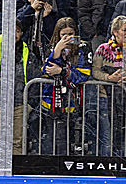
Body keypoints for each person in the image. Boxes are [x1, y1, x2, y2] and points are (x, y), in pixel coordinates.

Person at [89, 15, 126, 156]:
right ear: (115, 32)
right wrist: (109, 78)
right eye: (124, 30)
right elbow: (95, 71)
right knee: (108, 135)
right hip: (106, 99)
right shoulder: (102, 49)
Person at [0, 21, 43, 156]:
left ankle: (16, 171)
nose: (13, 34)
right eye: (10, 30)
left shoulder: (28, 52)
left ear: (21, 33)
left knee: (17, 141)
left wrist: (29, 104)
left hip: (20, 103)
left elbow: (35, 77)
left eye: (16, 31)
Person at [34, 17, 90, 155]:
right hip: (50, 102)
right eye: (63, 35)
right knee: (50, 141)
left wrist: (61, 71)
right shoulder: (51, 47)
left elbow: (84, 74)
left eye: (70, 34)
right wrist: (57, 51)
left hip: (72, 103)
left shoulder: (83, 47)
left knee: (67, 141)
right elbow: (46, 71)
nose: (67, 38)